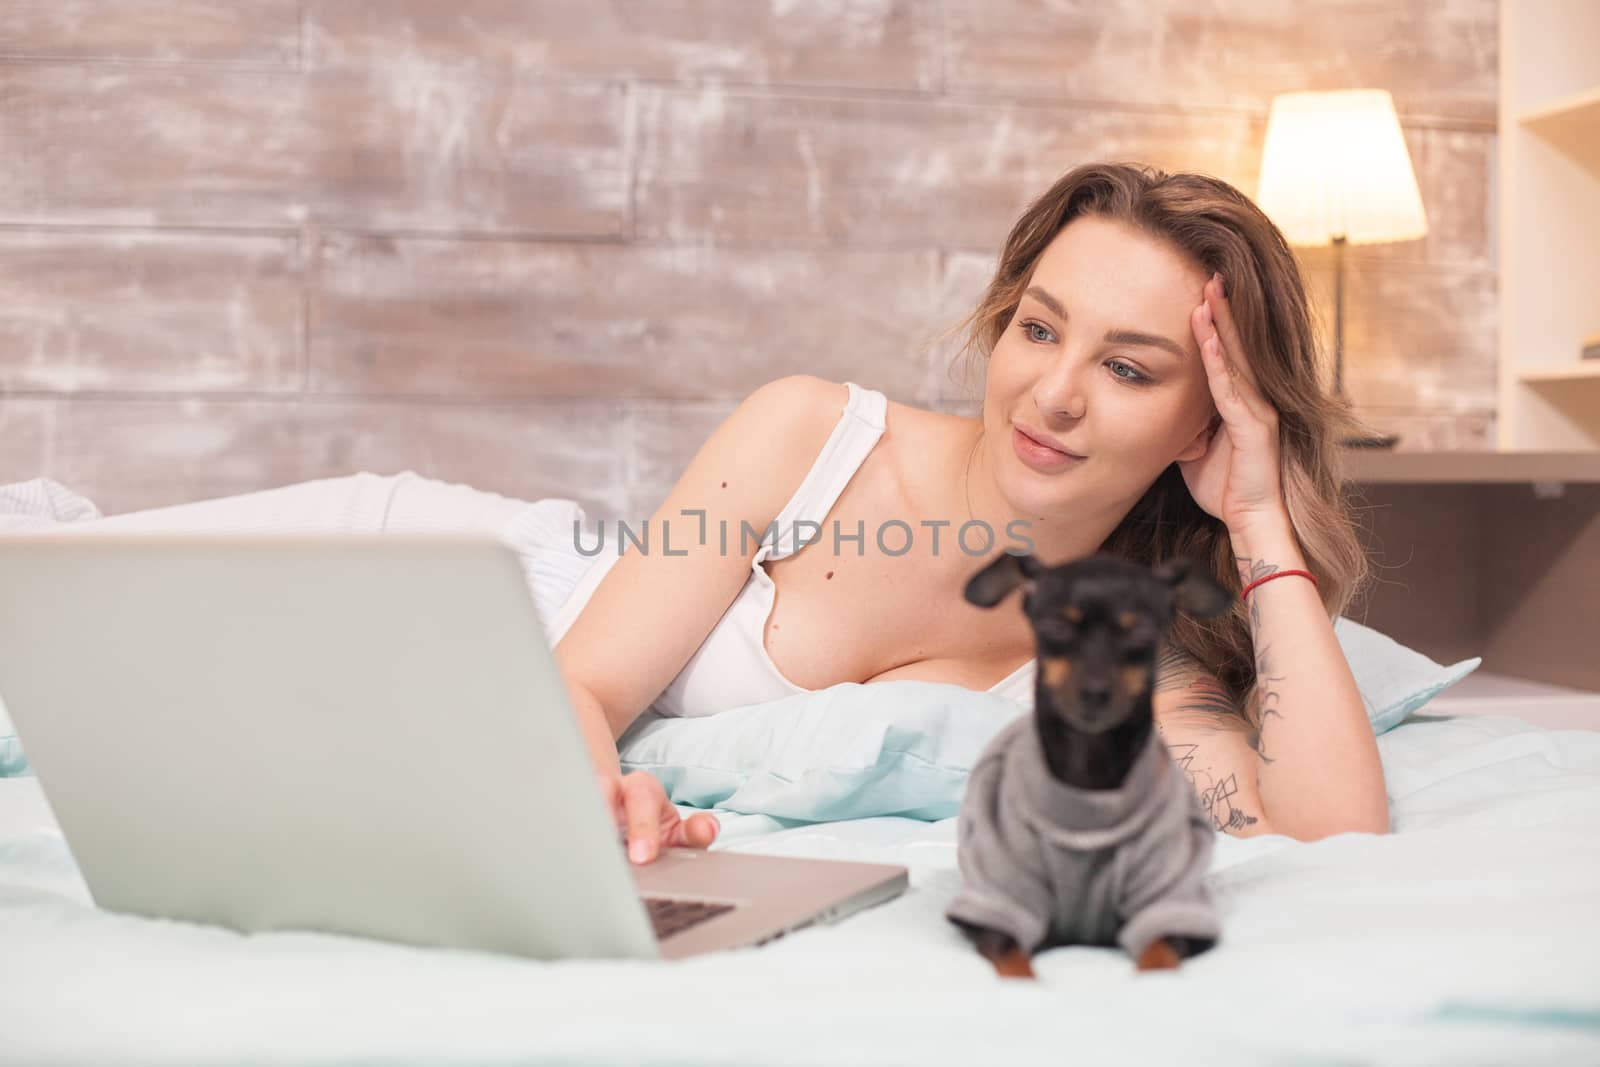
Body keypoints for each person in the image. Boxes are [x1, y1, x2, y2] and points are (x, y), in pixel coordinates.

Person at [552, 161, 1390, 868]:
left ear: (1207, 423)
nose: (1055, 395)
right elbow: (575, 683)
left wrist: (1259, 522)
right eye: (1039, 329)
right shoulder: (809, 438)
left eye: (1128, 369)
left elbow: (1331, 830)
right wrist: (598, 803)